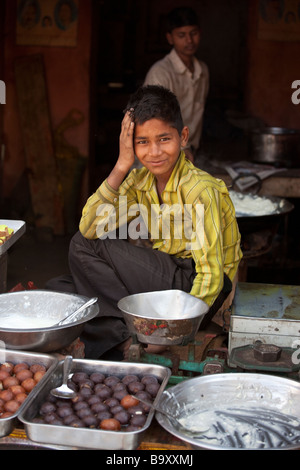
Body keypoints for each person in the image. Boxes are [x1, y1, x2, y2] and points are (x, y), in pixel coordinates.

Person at [47, 85, 242, 360]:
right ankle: (127, 333)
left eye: (164, 139)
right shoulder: (140, 183)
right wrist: (122, 165)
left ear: (183, 137)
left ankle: (128, 339)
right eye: (142, 142)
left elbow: (210, 275)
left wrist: (174, 332)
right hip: (168, 273)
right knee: (64, 290)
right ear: (131, 144)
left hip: (193, 283)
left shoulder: (199, 189)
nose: (154, 152)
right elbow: (90, 226)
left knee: (82, 248)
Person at [144, 7, 209, 161]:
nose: (189, 41)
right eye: (182, 35)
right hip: (158, 155)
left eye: (193, 33)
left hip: (188, 154)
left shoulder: (203, 71)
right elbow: (155, 121)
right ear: (170, 38)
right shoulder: (160, 73)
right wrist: (180, 149)